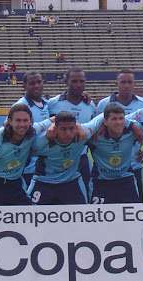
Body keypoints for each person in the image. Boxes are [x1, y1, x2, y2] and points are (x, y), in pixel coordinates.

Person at [0, 104, 52, 206]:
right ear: (10, 121)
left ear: (31, 121)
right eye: (18, 120)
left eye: (25, 120)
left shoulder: (34, 130)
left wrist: (73, 127)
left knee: (27, 216)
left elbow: (54, 119)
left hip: (15, 183)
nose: (22, 124)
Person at [96, 69, 143, 202]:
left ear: (134, 84)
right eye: (123, 82)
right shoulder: (104, 104)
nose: (126, 85)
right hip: (108, 166)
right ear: (117, 83)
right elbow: (98, 127)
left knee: (135, 208)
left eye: (129, 82)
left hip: (134, 164)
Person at [27, 111, 99, 205]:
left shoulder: (83, 134)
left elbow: (103, 117)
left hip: (71, 182)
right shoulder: (41, 141)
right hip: (43, 182)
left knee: (81, 217)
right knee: (30, 216)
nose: (68, 133)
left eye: (71, 128)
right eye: (63, 129)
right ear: (55, 129)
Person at [48, 67, 97, 201]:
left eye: (82, 81)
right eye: (74, 81)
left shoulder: (90, 104)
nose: (78, 84)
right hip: (57, 159)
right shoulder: (53, 104)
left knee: (85, 196)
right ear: (66, 82)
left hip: (81, 158)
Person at [88, 104, 141, 204]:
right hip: (100, 182)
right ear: (105, 122)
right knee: (98, 218)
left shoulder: (131, 134)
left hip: (126, 182)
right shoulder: (94, 137)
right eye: (114, 119)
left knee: (131, 218)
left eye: (121, 118)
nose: (119, 122)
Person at [12, 71, 50, 186]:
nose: (36, 86)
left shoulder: (48, 104)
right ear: (24, 86)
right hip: (27, 167)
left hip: (46, 166)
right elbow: (10, 134)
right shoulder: (19, 106)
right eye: (32, 83)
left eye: (39, 82)